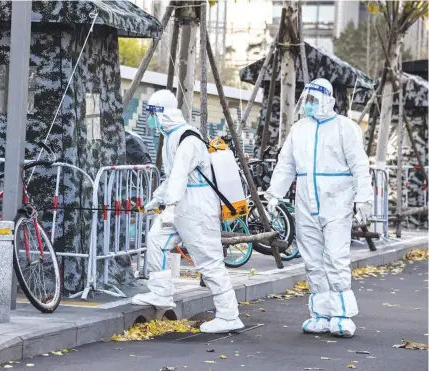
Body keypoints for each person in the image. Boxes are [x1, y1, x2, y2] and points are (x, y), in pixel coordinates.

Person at [265, 78, 373, 337]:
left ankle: (342, 315)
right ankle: (320, 313)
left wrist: (364, 196)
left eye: (314, 100)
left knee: (336, 258)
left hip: (337, 201)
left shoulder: (345, 128)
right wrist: (274, 194)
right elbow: (286, 164)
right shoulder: (299, 129)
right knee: (312, 259)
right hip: (305, 200)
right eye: (307, 100)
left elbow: (359, 164)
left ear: (327, 99)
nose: (310, 105)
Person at [131, 89, 244, 334]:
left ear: (164, 114)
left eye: (153, 114)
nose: (150, 120)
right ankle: (161, 293)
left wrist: (168, 203)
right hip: (182, 204)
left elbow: (180, 177)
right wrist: (157, 199)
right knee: (156, 239)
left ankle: (229, 315)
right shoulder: (171, 137)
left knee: (208, 260)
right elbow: (172, 177)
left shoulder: (187, 138)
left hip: (197, 207)